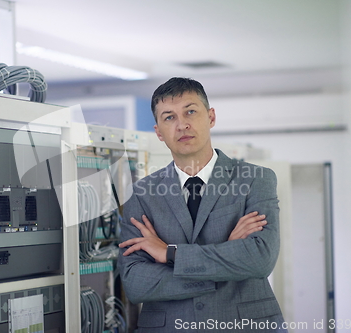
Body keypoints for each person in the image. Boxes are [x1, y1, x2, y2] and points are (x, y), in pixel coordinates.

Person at [118, 77, 287, 332]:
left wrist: (170, 254)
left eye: (190, 111)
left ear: (211, 118)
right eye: (169, 117)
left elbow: (260, 259)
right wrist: (228, 255)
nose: (182, 124)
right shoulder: (141, 194)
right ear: (158, 132)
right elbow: (136, 284)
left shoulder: (255, 179)